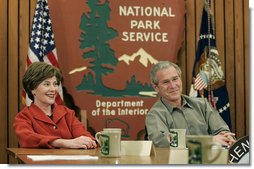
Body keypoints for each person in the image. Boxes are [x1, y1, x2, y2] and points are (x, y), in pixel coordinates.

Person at [145, 61, 235, 147]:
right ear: (156, 88)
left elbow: (222, 130)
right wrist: (208, 141)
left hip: (209, 160)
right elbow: (162, 141)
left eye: (175, 79)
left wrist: (227, 137)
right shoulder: (154, 115)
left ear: (180, 80)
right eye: (166, 82)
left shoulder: (202, 104)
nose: (172, 86)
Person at [13, 62, 97, 149]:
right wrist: (64, 143)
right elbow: (27, 139)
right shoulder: (23, 117)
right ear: (32, 89)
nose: (53, 89)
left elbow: (85, 137)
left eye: (55, 84)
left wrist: (89, 142)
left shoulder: (67, 113)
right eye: (46, 84)